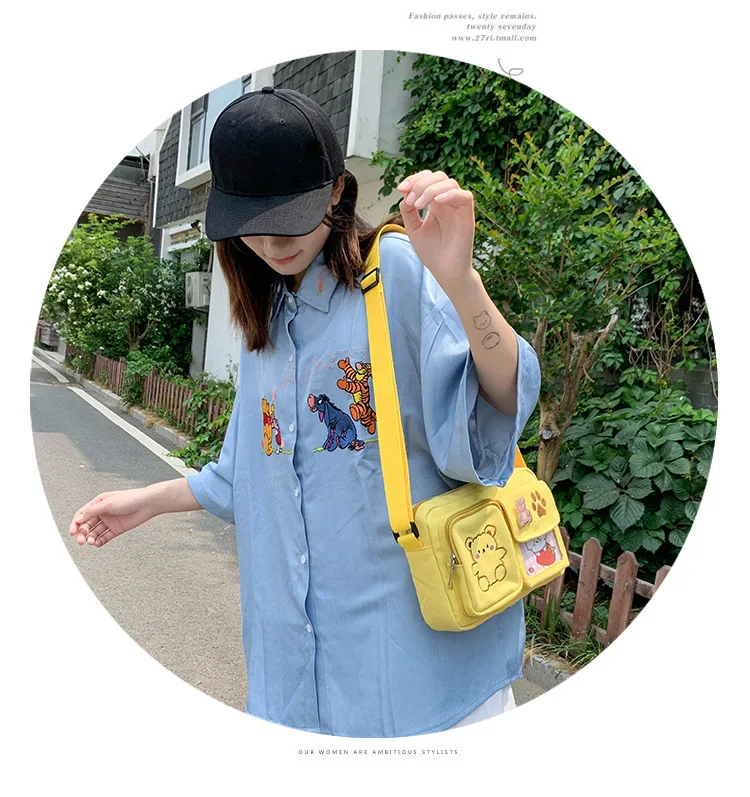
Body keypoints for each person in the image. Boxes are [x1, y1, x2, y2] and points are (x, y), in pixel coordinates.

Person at [68, 87, 541, 737]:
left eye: (289, 215)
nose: (269, 240)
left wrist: (461, 282)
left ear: (338, 192)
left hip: (425, 683)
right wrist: (143, 502)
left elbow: (501, 405)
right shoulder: (264, 323)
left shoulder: (393, 273)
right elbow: (245, 475)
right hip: (295, 681)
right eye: (250, 221)